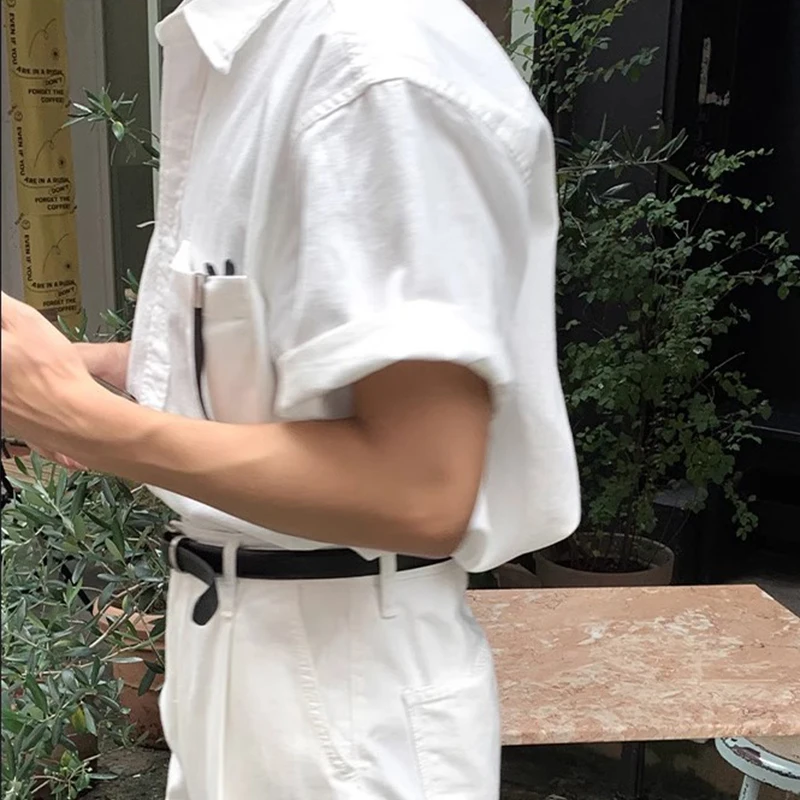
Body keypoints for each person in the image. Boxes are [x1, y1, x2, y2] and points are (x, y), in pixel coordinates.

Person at [1, 0, 580, 797]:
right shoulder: (260, 52)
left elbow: (419, 489)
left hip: (340, 693)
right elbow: (297, 363)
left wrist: (80, 420)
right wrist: (99, 368)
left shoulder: (371, 68)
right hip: (249, 652)